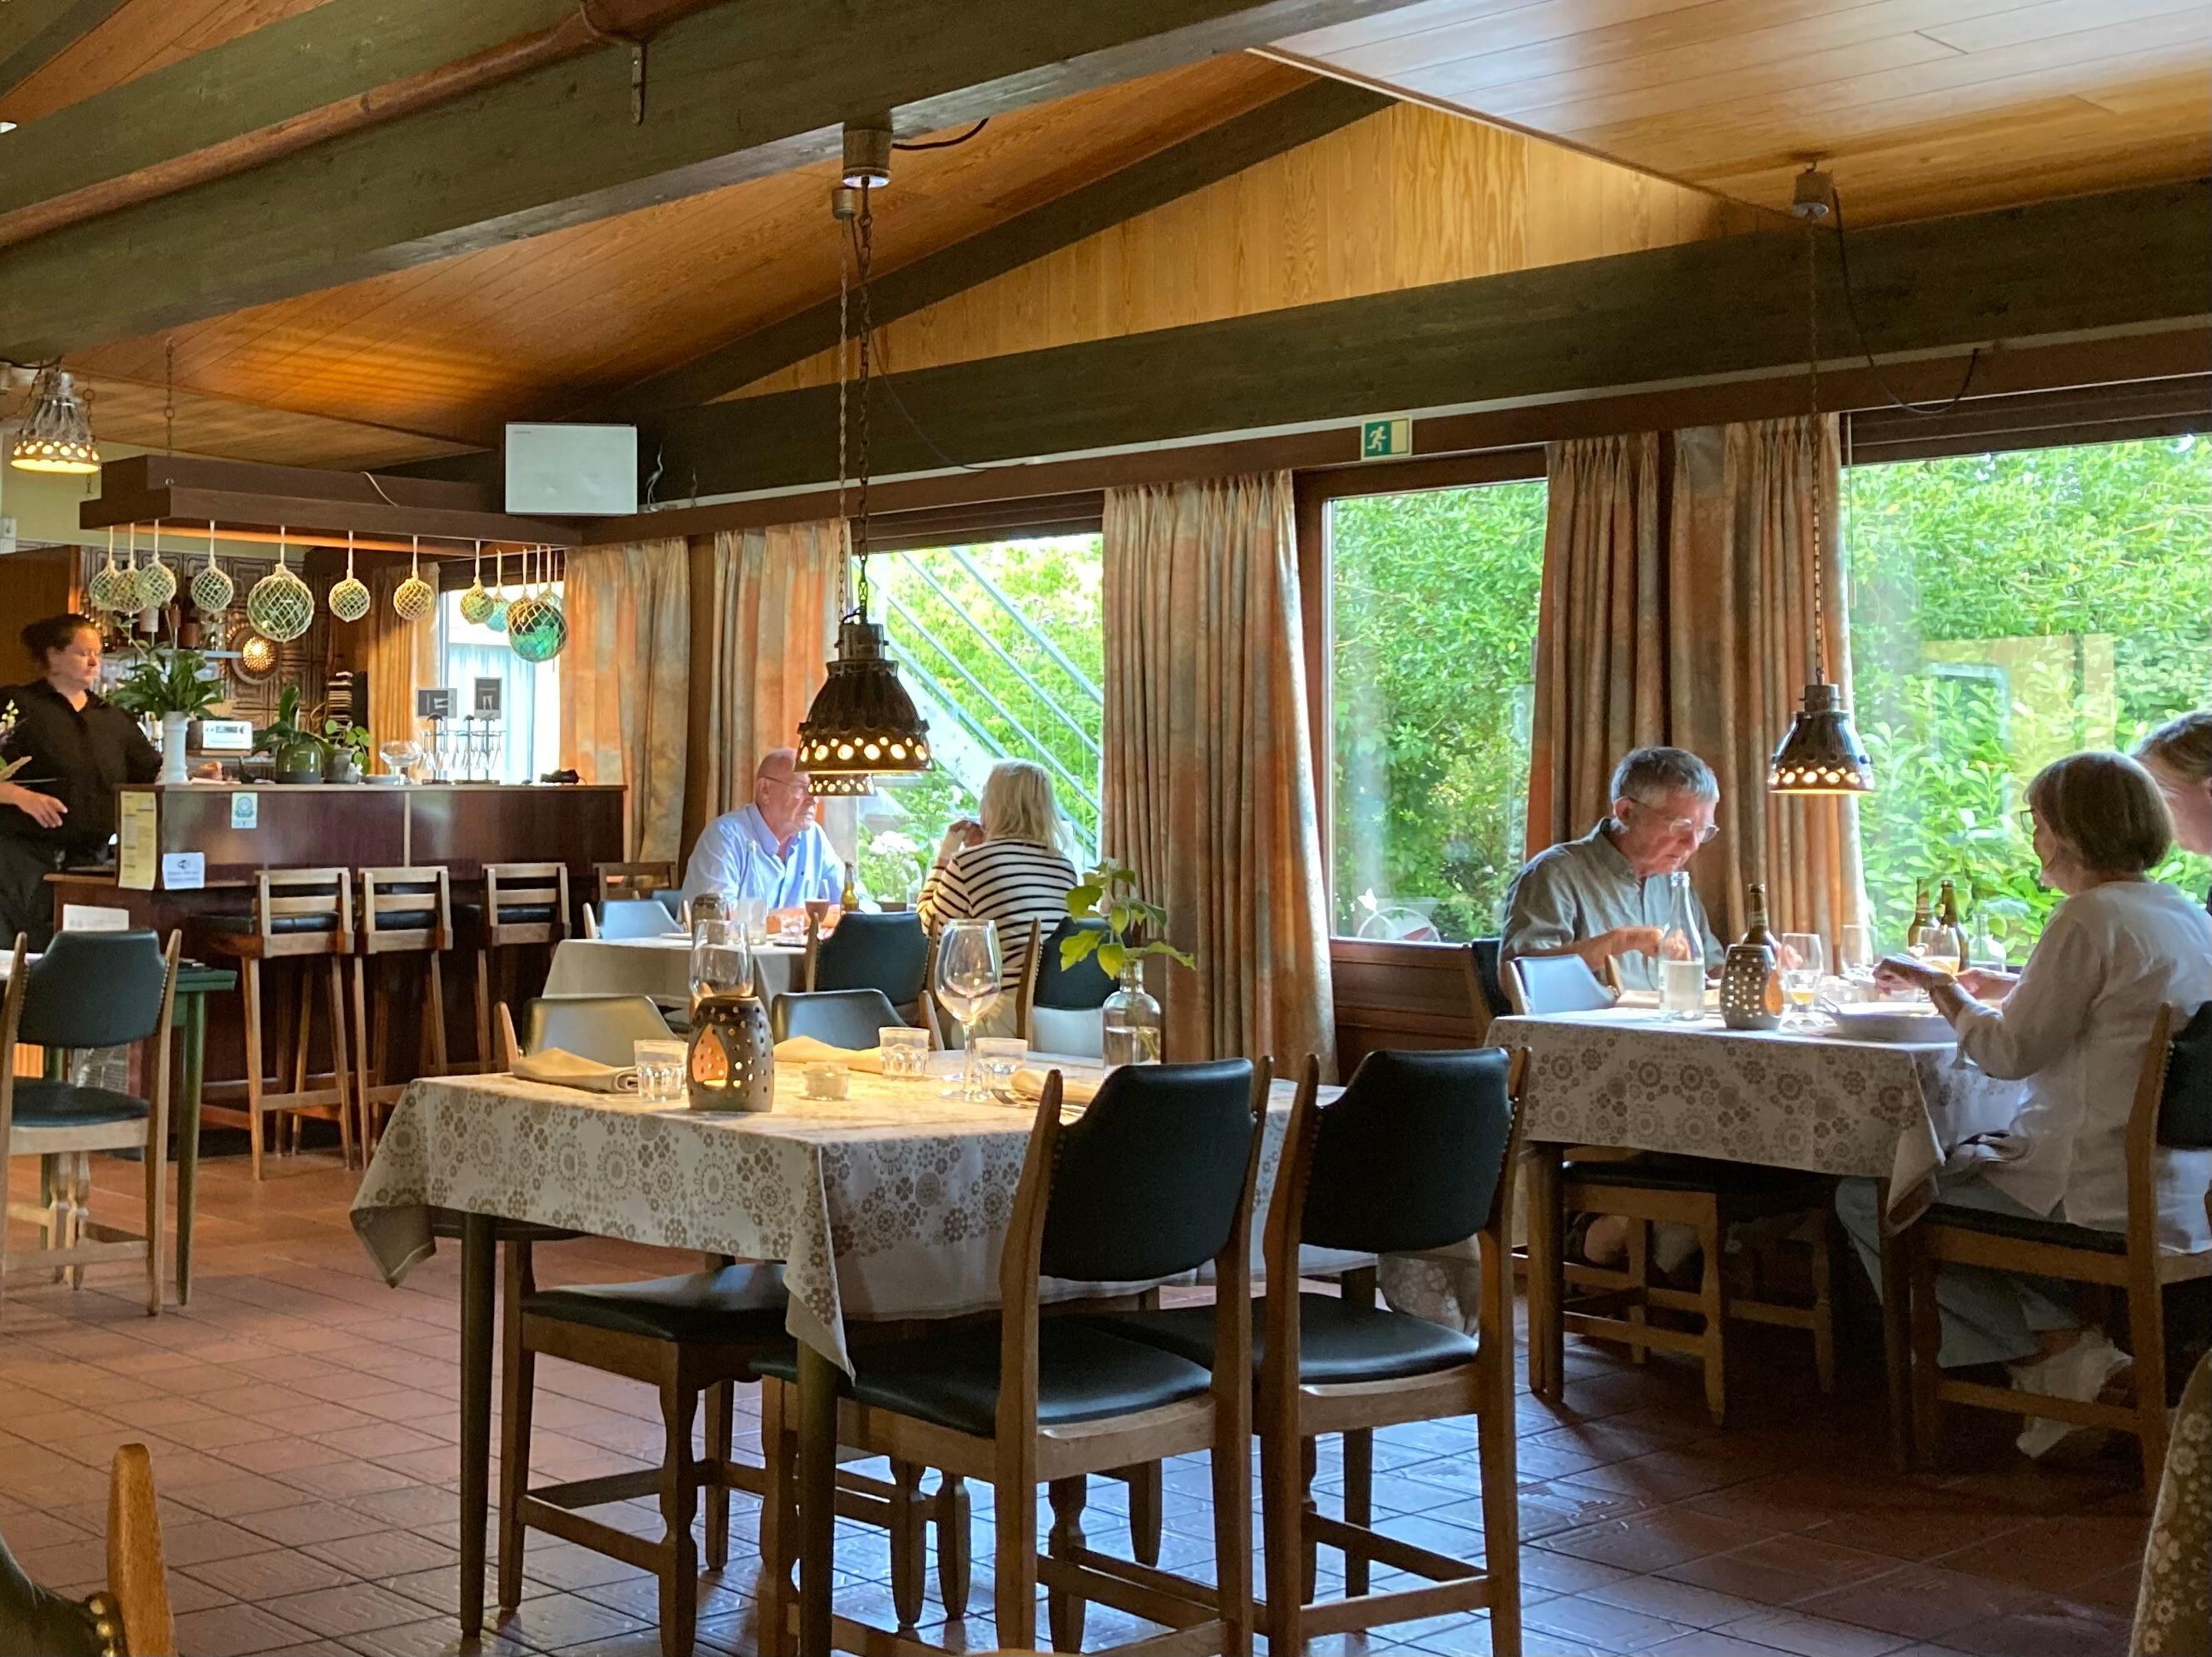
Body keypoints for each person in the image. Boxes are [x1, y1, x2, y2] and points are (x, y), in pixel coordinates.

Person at [1836, 751, 2212, 1460]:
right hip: (2179, 1190)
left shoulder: (2086, 916)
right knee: (1946, 1179)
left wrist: (1942, 988)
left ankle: (2056, 1360)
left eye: (2037, 822)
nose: (2034, 838)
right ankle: (2073, 1358)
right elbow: (2121, 1009)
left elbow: (2007, 1055)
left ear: (2068, 832)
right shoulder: (2183, 912)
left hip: (2087, 1185)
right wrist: (2010, 986)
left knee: (1873, 1198)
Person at [1503, 745, 1725, 992]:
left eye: (1702, 830)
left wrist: (1751, 968)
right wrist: (1622, 941)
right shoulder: (1554, 874)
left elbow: (1711, 969)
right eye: (1681, 826)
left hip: (1668, 1017)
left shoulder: (1676, 884)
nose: (1692, 844)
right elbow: (1518, 979)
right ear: (1626, 812)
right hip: (1588, 1018)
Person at [0, 615, 160, 951]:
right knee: (24, 954)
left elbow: (152, 774)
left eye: (97, 654)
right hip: (24, 860)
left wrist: (192, 775)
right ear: (54, 655)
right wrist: (18, 795)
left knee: (79, 954)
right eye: (82, 653)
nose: (93, 662)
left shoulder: (113, 718)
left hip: (92, 863)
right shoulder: (16, 705)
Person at [916, 761, 1079, 1037]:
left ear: (994, 805)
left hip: (1005, 1016)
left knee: (920, 1022)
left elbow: (927, 932)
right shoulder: (1064, 866)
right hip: (1063, 1019)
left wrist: (946, 856)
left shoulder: (970, 863)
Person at [680, 749, 844, 916]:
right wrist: (801, 918)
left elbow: (850, 901)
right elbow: (717, 918)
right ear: (765, 790)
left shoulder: (814, 837)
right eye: (801, 788)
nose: (814, 799)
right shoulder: (724, 837)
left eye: (816, 789)